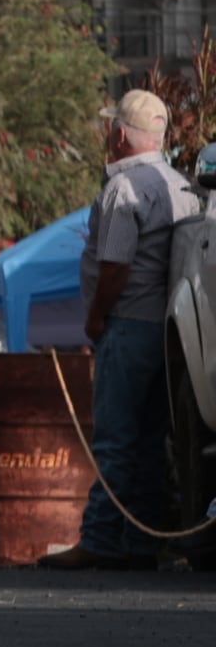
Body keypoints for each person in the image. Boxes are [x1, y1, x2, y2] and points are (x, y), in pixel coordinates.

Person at [42, 89, 197, 570]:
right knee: (151, 442)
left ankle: (102, 539)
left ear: (119, 135)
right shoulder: (184, 187)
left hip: (127, 325)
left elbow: (114, 267)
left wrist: (94, 317)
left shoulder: (123, 188)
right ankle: (139, 542)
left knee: (114, 437)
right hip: (169, 332)